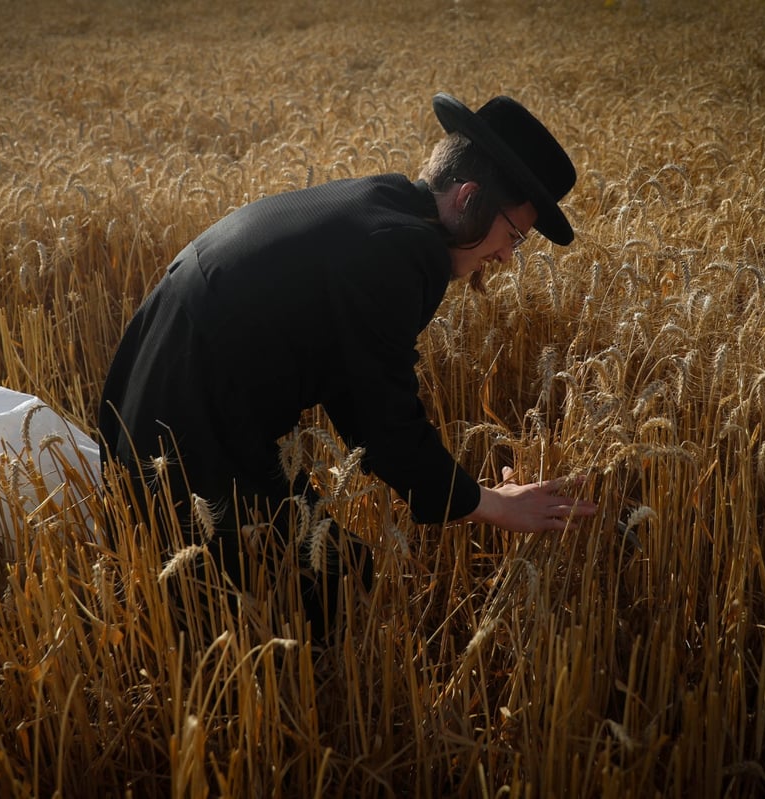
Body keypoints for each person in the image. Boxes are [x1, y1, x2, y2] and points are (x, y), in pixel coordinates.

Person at [98, 92, 599, 639]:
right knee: (311, 587)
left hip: (152, 378)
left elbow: (356, 385)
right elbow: (382, 419)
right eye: (514, 235)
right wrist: (491, 505)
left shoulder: (384, 203)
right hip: (188, 420)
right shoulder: (399, 255)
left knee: (306, 573)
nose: (507, 257)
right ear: (469, 197)